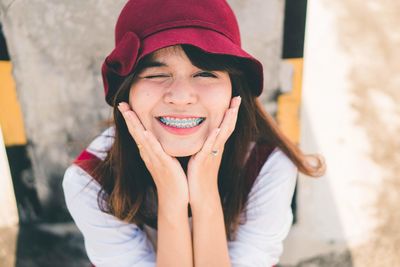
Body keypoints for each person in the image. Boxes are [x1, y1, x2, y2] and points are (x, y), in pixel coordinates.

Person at [62, 0, 325, 266]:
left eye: (206, 74)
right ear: (126, 92)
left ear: (234, 91)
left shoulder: (267, 165)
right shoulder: (90, 180)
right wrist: (172, 203)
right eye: (155, 74)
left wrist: (205, 195)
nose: (181, 97)